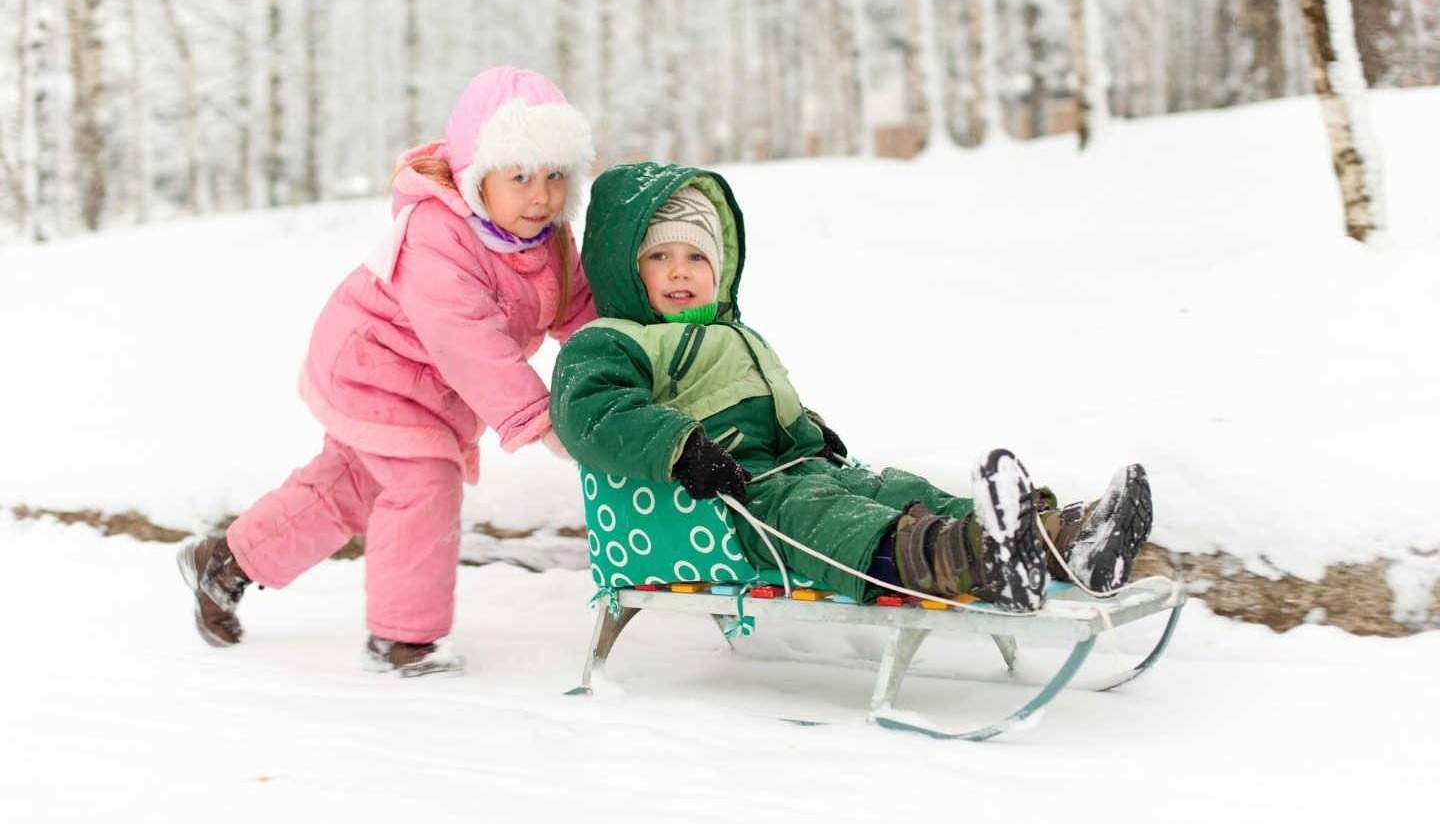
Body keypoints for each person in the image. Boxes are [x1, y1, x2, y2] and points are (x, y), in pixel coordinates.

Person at [549, 163, 1152, 612]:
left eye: (696, 257)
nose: (681, 270)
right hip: (729, 500)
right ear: (624, 270)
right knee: (824, 518)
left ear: (720, 268)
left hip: (796, 467)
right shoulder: (611, 341)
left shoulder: (732, 332)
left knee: (895, 488)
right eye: (659, 256)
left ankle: (1059, 540)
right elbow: (593, 414)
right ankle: (976, 557)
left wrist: (809, 430)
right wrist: (679, 448)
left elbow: (760, 403)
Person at [177, 67, 597, 675]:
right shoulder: (439, 234)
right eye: (521, 176)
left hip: (427, 386)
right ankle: (403, 639)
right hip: (374, 366)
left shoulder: (546, 240)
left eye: (556, 175)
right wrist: (541, 421)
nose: (542, 196)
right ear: (478, 176)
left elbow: (577, 309)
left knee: (348, 484)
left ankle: (227, 562)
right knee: (424, 485)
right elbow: (470, 343)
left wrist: (612, 368)